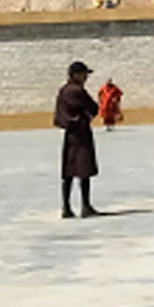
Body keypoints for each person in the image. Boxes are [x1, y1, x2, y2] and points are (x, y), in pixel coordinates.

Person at [54, 59, 99, 218]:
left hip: (70, 134)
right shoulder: (75, 91)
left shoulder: (64, 90)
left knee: (69, 171)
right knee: (83, 169)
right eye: (84, 74)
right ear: (76, 75)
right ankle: (85, 206)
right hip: (80, 132)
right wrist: (86, 116)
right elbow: (92, 107)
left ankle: (66, 207)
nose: (86, 77)